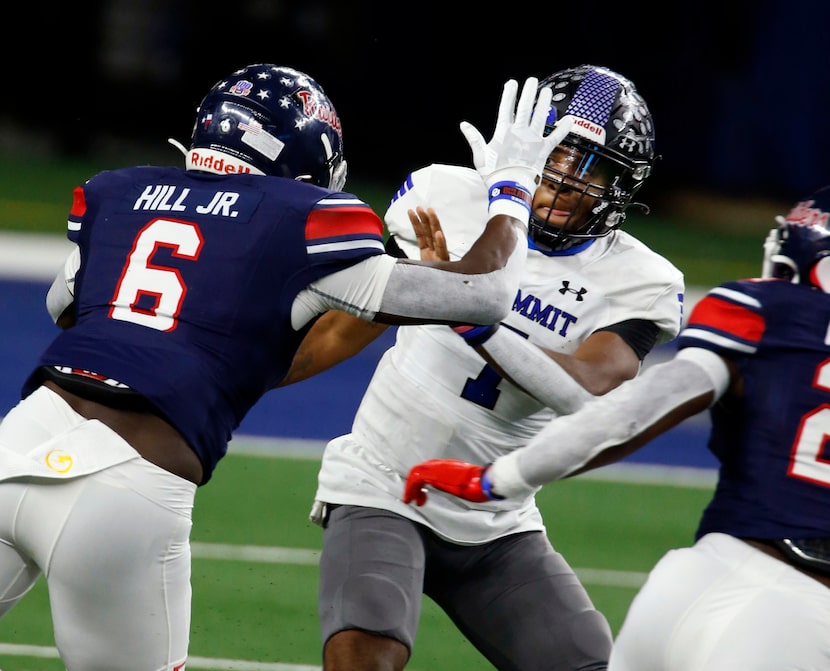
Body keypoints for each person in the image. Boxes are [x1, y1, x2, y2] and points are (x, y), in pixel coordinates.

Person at [0, 63, 569, 670]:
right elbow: (484, 295)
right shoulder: (303, 220)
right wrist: (512, 185)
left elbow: (65, 306)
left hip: (20, 440)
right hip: (125, 486)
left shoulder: (122, 192)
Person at [308, 64, 685, 671]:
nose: (568, 180)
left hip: (498, 520)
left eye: (595, 167)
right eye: (561, 154)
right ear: (529, 149)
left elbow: (584, 391)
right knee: (365, 656)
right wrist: (256, 376)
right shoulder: (449, 197)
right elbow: (351, 323)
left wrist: (467, 308)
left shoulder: (640, 282)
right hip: (381, 480)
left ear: (623, 184)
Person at [404, 188, 830, 670]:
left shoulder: (764, 310)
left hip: (692, 578)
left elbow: (636, 411)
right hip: (801, 616)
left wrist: (496, 478)